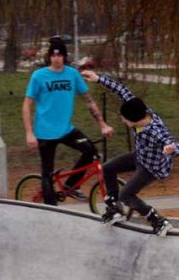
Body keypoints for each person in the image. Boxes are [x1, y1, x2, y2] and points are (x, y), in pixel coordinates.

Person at [81, 69, 179, 237]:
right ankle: (115, 209)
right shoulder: (138, 108)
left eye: (124, 119)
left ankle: (157, 220)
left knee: (126, 195)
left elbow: (176, 144)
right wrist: (98, 78)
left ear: (134, 120)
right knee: (107, 168)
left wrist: (171, 149)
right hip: (140, 156)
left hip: (153, 168)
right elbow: (121, 90)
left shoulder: (156, 131)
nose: (122, 120)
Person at [23, 36, 114, 205]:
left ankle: (70, 186)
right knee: (47, 174)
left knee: (91, 151)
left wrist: (102, 124)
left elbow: (88, 100)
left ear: (64, 56)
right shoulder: (39, 76)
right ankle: (52, 212)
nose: (56, 59)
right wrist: (29, 132)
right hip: (45, 132)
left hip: (66, 130)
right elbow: (27, 105)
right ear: (49, 57)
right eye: (53, 55)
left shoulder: (72, 74)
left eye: (59, 55)